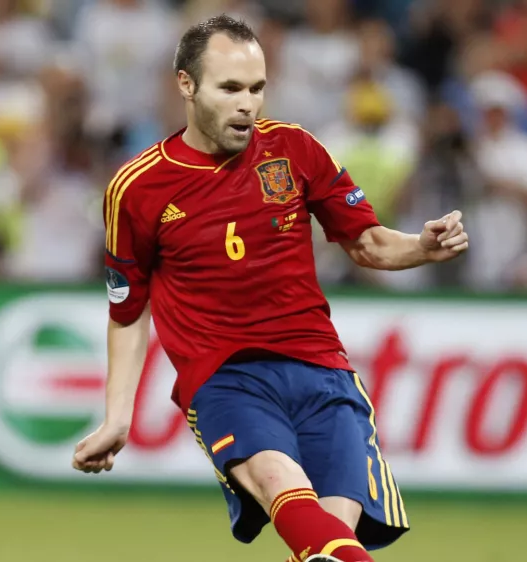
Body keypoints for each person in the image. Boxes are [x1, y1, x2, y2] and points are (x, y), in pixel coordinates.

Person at [69, 15, 469, 562]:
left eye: (257, 88)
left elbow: (368, 244)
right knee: (279, 481)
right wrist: (118, 416)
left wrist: (420, 246)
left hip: (322, 370)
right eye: (230, 88)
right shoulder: (137, 187)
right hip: (225, 377)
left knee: (327, 540)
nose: (247, 104)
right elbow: (126, 310)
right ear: (186, 84)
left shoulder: (296, 149)